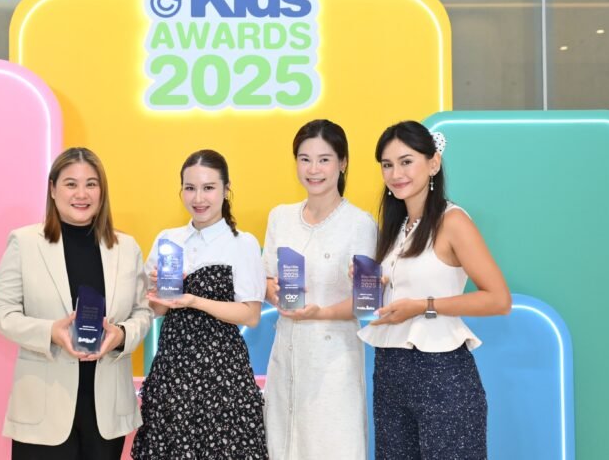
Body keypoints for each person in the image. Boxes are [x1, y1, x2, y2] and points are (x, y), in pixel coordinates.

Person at [357, 121, 511, 460]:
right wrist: (371, 283)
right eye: (387, 164)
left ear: (433, 163)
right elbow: (393, 298)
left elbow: (499, 299)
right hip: (389, 371)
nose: (396, 173)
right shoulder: (395, 227)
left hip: (441, 372)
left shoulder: (453, 221)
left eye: (406, 161)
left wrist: (423, 306)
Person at [0, 147, 152, 460]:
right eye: (70, 184)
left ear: (102, 191)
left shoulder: (126, 247)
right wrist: (51, 332)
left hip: (106, 411)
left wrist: (121, 335)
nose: (81, 194)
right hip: (43, 408)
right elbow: (0, 313)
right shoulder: (25, 243)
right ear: (53, 189)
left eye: (91, 184)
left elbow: (142, 312)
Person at [131, 149, 268, 459]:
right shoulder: (168, 239)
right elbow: (155, 311)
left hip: (223, 373)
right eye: (190, 188)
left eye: (208, 188)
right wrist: (157, 294)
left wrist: (194, 300)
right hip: (172, 370)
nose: (198, 198)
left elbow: (251, 315)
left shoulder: (242, 243)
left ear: (226, 189)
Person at [263, 119, 377, 460]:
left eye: (324, 159)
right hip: (286, 355)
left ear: (342, 163)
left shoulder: (360, 224)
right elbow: (267, 278)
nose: (313, 169)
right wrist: (273, 292)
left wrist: (320, 312)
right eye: (305, 159)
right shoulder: (280, 217)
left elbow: (366, 301)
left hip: (334, 361)